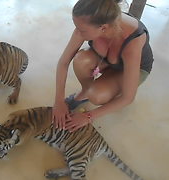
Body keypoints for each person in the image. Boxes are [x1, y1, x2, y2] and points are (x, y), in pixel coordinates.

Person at [52, 0, 154, 132]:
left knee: (98, 95)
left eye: (82, 30)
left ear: (103, 28)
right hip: (108, 61)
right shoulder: (94, 21)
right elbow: (63, 62)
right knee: (81, 60)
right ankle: (85, 92)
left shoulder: (133, 41)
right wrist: (58, 101)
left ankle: (109, 90)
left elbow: (128, 98)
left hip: (134, 68)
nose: (77, 32)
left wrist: (88, 116)